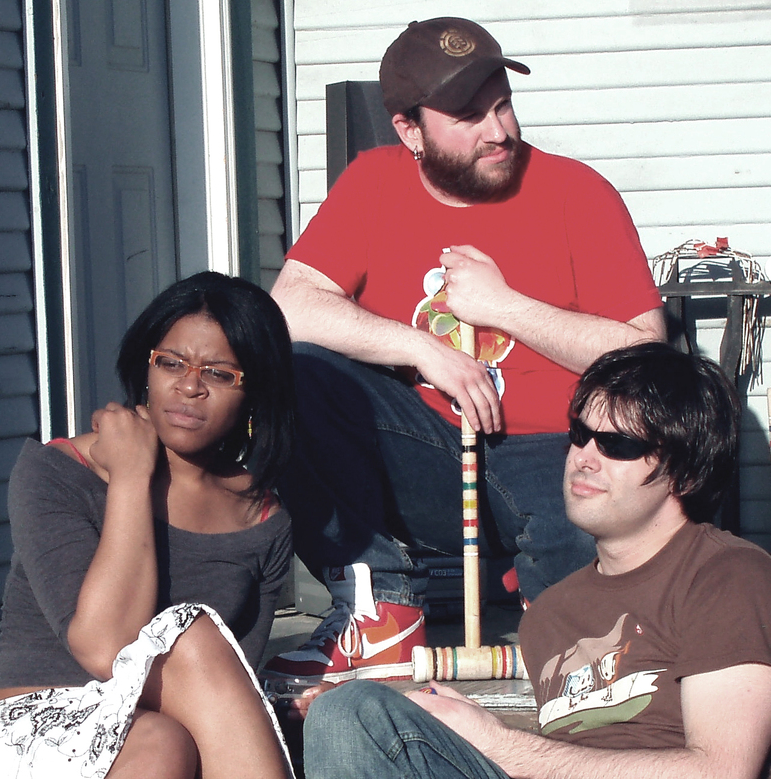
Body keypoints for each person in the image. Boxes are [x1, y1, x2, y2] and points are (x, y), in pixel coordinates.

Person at [265, 17, 666, 683]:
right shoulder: (374, 182)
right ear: (409, 130)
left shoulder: (577, 193)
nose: (498, 130)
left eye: (502, 104)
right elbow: (289, 305)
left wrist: (504, 307)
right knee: (291, 373)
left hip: (557, 454)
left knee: (582, 656)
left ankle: (553, 606)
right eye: (468, 116)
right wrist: (421, 349)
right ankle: (382, 613)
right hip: (427, 453)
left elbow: (647, 354)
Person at [302, 341, 771, 779]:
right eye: (579, 434)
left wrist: (500, 744)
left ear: (686, 473)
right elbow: (564, 766)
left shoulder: (727, 575)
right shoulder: (550, 614)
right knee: (348, 713)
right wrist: (443, 728)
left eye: (617, 444)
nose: (583, 457)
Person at [0, 272, 301, 779]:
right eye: (171, 363)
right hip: (35, 730)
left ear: (255, 391)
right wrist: (133, 477)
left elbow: (230, 688)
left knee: (175, 717)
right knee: (167, 719)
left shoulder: (263, 518)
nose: (189, 386)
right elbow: (105, 646)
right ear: (146, 367)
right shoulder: (57, 472)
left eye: (220, 374)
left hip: (171, 735)